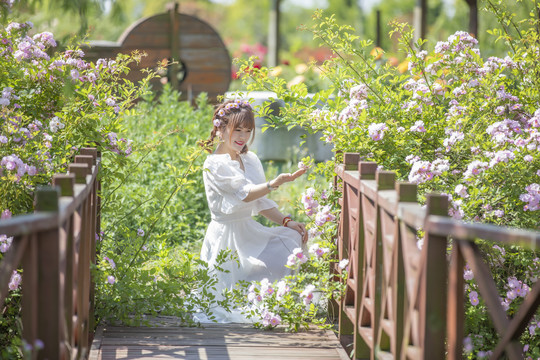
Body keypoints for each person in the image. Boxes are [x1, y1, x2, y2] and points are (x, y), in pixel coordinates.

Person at [196, 99, 307, 323]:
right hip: (226, 236)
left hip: (248, 230)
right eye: (237, 129)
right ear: (220, 128)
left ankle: (269, 301)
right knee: (222, 303)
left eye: (248, 131)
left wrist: (287, 222)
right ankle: (252, 304)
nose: (243, 137)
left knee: (292, 236)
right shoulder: (215, 163)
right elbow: (245, 194)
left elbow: (261, 203)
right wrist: (274, 183)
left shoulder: (249, 159)